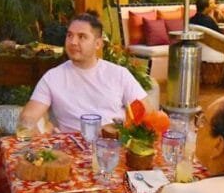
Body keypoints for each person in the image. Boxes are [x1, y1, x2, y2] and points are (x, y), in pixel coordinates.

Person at [19, 13, 148, 132]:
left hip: (114, 145)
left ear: (97, 44)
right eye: (69, 35)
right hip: (71, 150)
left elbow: (146, 113)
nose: (73, 42)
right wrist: (39, 128)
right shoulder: (52, 77)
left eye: (82, 36)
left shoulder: (119, 74)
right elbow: (28, 117)